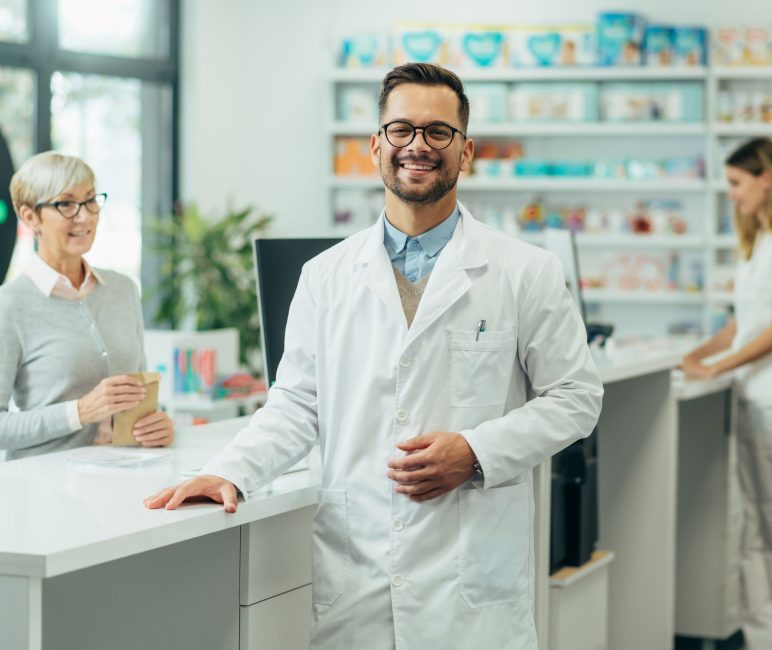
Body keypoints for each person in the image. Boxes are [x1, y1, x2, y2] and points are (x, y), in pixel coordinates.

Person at [145, 63, 603, 649]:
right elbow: (296, 406)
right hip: (357, 575)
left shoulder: (524, 271)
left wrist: (476, 451)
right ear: (375, 146)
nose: (418, 145)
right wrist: (228, 470)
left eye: (438, 132)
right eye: (401, 129)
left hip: (471, 589)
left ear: (466, 153)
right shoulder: (325, 276)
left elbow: (577, 397)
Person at [680, 137, 772, 650]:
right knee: (755, 530)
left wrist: (716, 369)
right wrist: (696, 356)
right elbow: (742, 324)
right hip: (755, 403)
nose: (730, 195)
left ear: (765, 178)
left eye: (735, 183)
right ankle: (764, 638)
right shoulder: (760, 244)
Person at [0, 152, 173, 460]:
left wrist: (155, 425)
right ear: (30, 217)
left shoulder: (123, 290)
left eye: (91, 200)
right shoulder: (10, 304)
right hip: (45, 490)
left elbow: (141, 396)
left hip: (126, 479)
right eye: (66, 204)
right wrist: (80, 411)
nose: (86, 216)